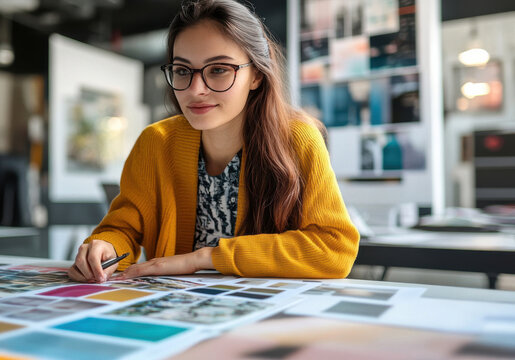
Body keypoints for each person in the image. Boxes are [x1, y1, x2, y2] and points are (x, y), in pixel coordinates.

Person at [68, 0, 359, 283]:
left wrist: (204, 258)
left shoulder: (298, 140)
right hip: (174, 310)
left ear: (257, 74)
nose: (196, 90)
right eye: (183, 70)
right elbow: (124, 229)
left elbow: (334, 249)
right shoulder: (156, 143)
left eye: (218, 70)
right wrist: (105, 246)